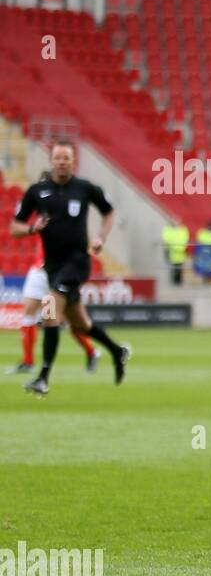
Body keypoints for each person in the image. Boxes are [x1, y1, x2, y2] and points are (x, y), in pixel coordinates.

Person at [10, 142, 130, 397]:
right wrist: (32, 228)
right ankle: (116, 351)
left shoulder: (85, 188)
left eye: (66, 157)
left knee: (50, 311)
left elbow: (108, 213)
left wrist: (100, 237)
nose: (62, 161)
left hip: (77, 262)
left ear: (73, 160)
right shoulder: (37, 191)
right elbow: (15, 227)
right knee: (81, 324)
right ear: (51, 160)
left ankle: (42, 378)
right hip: (52, 266)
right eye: (58, 157)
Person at [6, 257, 98, 375]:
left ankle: (91, 351)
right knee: (29, 314)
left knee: (67, 319)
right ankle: (28, 361)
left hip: (59, 271)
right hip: (39, 271)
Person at [162, 219, 189, 286]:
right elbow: (166, 239)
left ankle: (178, 282)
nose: (176, 222)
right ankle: (173, 282)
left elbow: (185, 239)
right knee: (172, 267)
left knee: (179, 266)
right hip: (172, 250)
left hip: (180, 250)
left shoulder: (183, 230)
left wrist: (180, 247)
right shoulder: (168, 229)